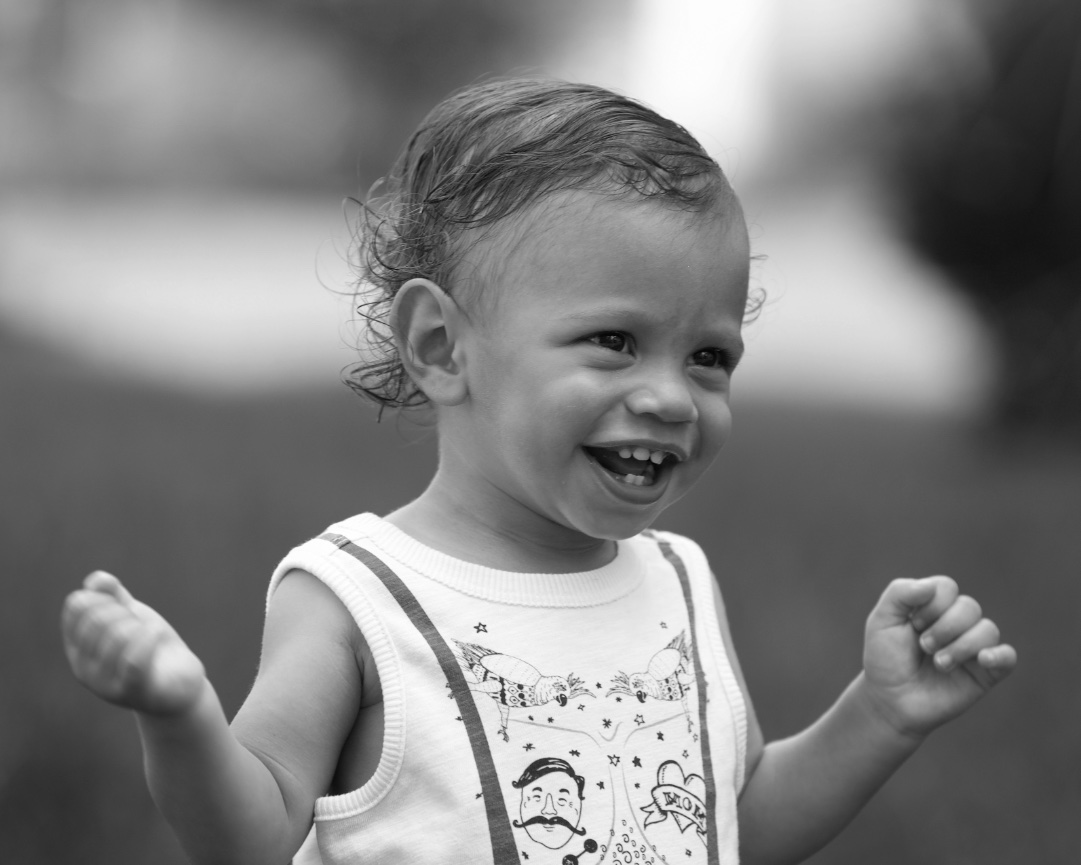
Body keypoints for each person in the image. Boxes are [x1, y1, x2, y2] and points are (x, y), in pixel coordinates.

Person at [60, 78, 1017, 865]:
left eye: (708, 357)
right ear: (441, 346)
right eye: (614, 341)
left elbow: (731, 827)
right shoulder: (362, 597)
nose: (672, 398)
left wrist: (879, 713)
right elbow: (252, 832)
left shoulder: (677, 581)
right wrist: (179, 714)